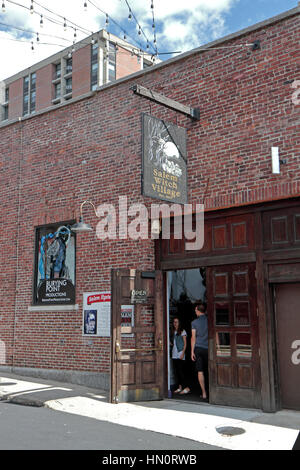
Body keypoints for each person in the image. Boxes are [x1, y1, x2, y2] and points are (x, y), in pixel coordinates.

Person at [191, 303, 208, 401]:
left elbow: (193, 338)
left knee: (200, 371)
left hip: (198, 348)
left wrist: (192, 351)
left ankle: (204, 393)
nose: (195, 312)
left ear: (198, 311)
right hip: (208, 348)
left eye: (195, 310)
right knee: (210, 369)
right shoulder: (209, 320)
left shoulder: (194, 322)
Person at [171, 317, 190, 395]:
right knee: (177, 372)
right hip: (174, 353)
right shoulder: (173, 331)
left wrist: (183, 353)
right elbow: (174, 343)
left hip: (180, 353)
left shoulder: (183, 331)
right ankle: (180, 387)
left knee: (181, 371)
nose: (175, 323)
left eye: (177, 322)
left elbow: (185, 344)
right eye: (174, 322)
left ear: (179, 323)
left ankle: (187, 388)